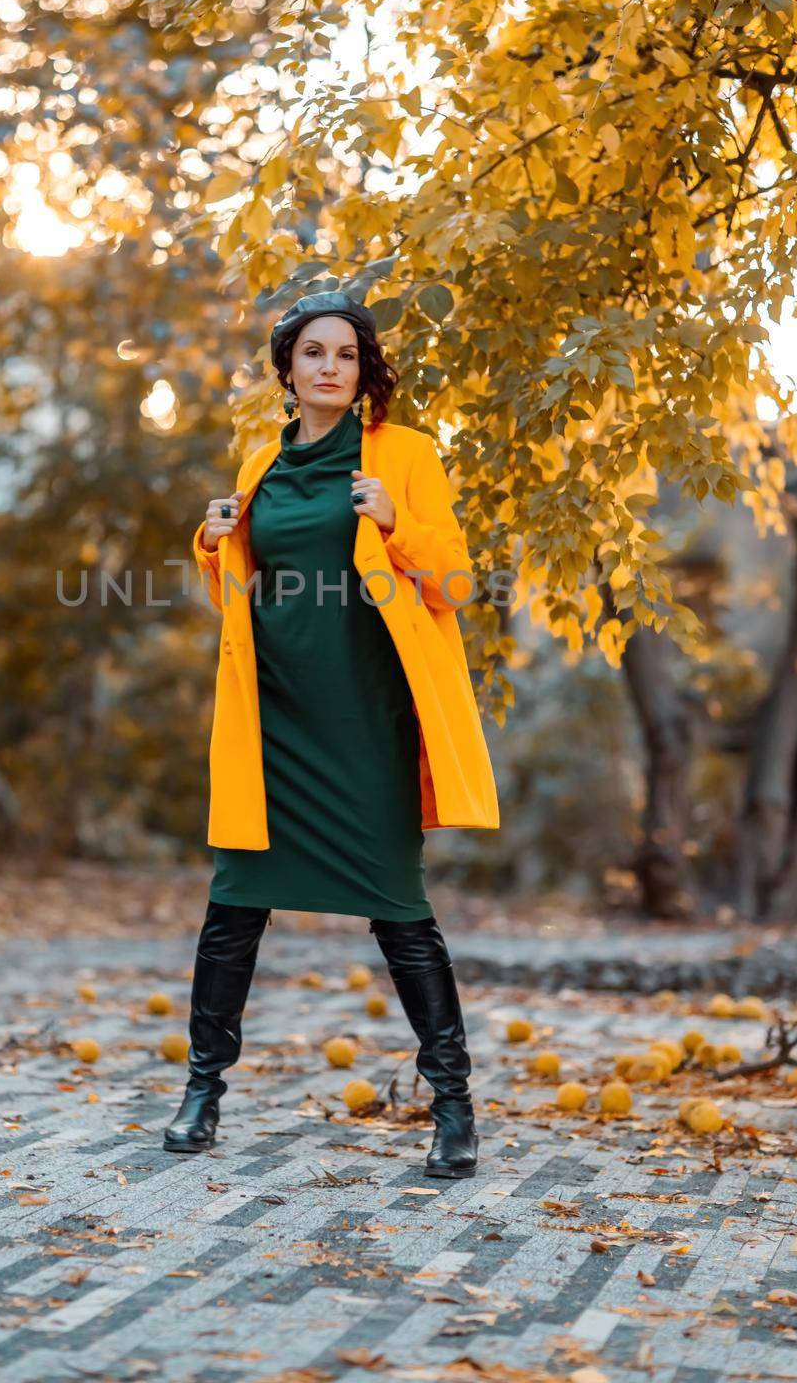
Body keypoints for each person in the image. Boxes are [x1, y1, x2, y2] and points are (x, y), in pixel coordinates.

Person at [164, 290, 499, 1177]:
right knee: (233, 905)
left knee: (399, 909)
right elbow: (239, 595)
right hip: (272, 715)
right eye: (312, 353)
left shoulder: (405, 457)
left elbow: (455, 583)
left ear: (363, 370)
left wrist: (397, 524)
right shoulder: (258, 461)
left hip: (366, 722)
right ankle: (202, 1094)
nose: (328, 368)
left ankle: (454, 1107)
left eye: (345, 356)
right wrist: (210, 543)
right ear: (287, 368)